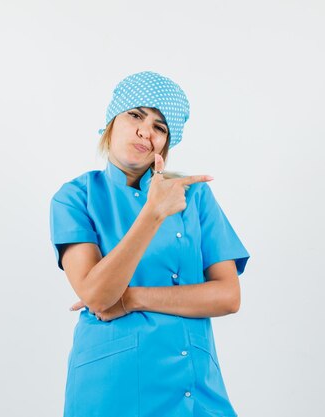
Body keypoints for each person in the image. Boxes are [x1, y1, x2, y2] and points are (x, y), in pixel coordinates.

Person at [49, 71, 250, 417]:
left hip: (193, 384)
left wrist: (132, 298)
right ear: (112, 121)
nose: (146, 131)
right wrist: (153, 213)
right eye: (135, 115)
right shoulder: (75, 198)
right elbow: (97, 296)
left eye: (160, 127)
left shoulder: (194, 195)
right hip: (111, 385)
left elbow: (227, 296)